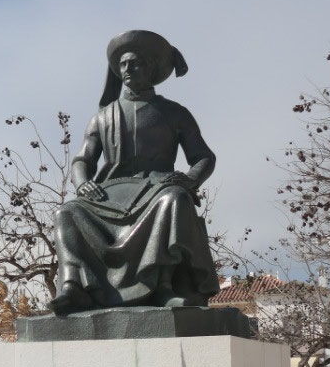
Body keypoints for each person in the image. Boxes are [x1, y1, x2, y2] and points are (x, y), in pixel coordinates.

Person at [50, 30, 220, 314]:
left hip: (157, 190)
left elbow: (204, 157)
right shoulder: (103, 116)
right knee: (66, 212)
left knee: (174, 199)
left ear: (151, 68)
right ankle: (74, 287)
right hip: (110, 195)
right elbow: (82, 160)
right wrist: (82, 184)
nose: (127, 69)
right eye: (123, 64)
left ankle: (162, 287)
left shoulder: (175, 113)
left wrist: (190, 179)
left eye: (135, 63)